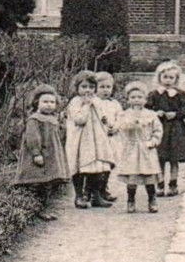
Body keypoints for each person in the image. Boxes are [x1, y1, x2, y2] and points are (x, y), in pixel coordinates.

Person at [13, 84, 69, 220]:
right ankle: (38, 209)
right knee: (39, 183)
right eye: (45, 102)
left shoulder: (53, 119)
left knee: (48, 184)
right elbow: (32, 138)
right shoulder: (35, 119)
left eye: (52, 102)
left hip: (51, 156)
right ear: (37, 103)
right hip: (40, 156)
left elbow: (58, 136)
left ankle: (45, 207)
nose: (49, 105)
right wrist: (36, 153)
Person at [114, 82, 163, 213]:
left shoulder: (151, 115)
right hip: (131, 149)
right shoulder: (124, 115)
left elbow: (157, 130)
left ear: (145, 99)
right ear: (128, 99)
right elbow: (121, 128)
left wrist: (153, 141)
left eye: (140, 97)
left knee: (149, 177)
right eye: (133, 97)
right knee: (132, 177)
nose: (137, 100)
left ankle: (152, 200)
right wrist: (131, 122)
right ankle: (130, 200)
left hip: (147, 149)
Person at [147, 60, 185, 196]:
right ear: (159, 77)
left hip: (176, 130)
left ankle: (173, 184)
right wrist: (156, 113)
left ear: (176, 79)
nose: (168, 80)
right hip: (160, 129)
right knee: (160, 158)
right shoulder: (154, 94)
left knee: (174, 159)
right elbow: (147, 109)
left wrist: (176, 114)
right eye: (165, 77)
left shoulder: (180, 94)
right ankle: (160, 185)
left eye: (171, 78)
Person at [63, 70, 107, 209]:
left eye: (91, 87)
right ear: (77, 88)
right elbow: (80, 119)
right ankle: (79, 196)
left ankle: (95, 196)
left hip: (95, 141)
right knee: (81, 168)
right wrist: (86, 105)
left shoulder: (97, 100)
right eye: (84, 87)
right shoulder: (75, 102)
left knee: (96, 169)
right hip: (80, 141)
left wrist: (107, 123)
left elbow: (103, 117)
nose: (87, 90)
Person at [84, 71, 122, 207]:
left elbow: (120, 117)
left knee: (109, 164)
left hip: (112, 138)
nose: (106, 90)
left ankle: (102, 190)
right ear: (95, 88)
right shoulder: (94, 102)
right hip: (98, 139)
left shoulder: (115, 104)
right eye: (102, 87)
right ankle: (89, 192)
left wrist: (116, 127)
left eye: (108, 87)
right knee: (97, 165)